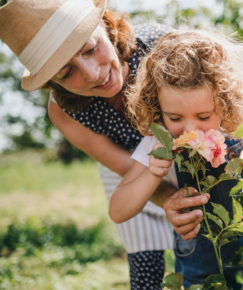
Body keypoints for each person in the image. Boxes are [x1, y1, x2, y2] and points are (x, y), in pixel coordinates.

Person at [0, 0, 209, 289]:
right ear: (52, 82)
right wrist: (167, 199)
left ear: (106, 26)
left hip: (188, 153)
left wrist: (183, 201)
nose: (92, 74)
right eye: (65, 73)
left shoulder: (162, 51)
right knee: (144, 268)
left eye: (89, 49)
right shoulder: (64, 112)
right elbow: (123, 165)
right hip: (127, 168)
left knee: (204, 250)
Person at [109, 30, 243, 288]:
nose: (190, 129)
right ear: (158, 108)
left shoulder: (238, 127)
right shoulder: (159, 142)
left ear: (225, 102)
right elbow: (118, 210)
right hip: (198, 265)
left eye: (203, 117)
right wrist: (153, 172)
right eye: (175, 118)